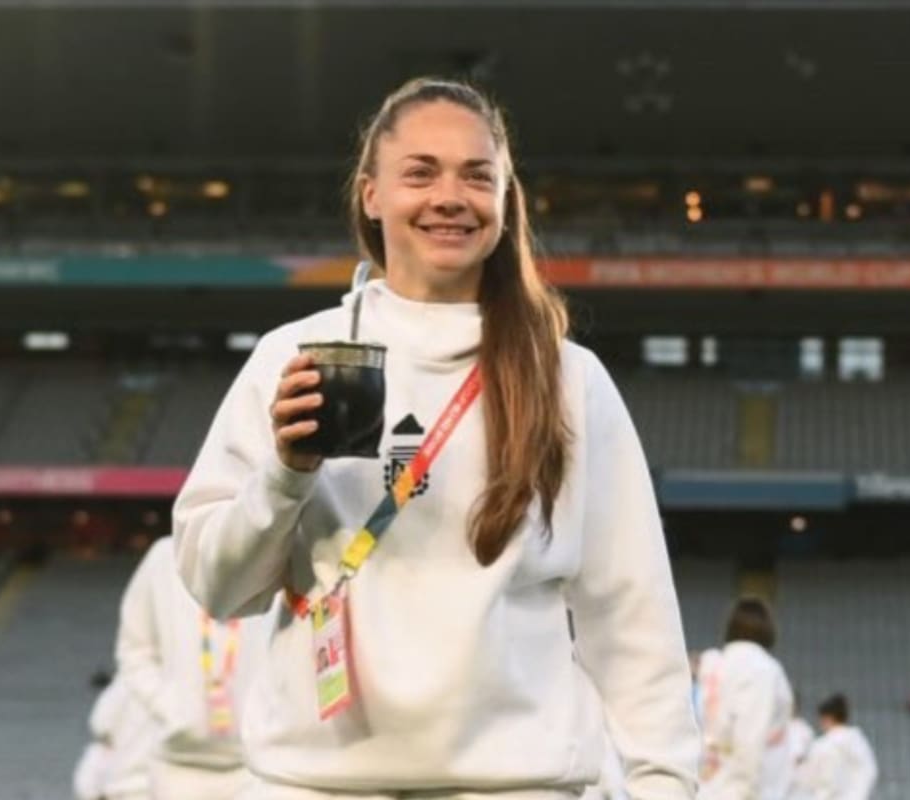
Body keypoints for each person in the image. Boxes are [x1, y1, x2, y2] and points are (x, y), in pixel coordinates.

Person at [173, 76, 700, 799]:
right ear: (371, 195)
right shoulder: (292, 358)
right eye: (420, 172)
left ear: (505, 203)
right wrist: (285, 473)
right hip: (314, 782)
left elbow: (632, 609)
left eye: (477, 176)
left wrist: (665, 783)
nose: (450, 196)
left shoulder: (567, 378)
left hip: (513, 784)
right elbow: (218, 588)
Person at [115, 536, 269, 800]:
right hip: (178, 764)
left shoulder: (269, 552)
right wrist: (170, 707)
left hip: (256, 766)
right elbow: (134, 649)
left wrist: (263, 716)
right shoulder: (165, 556)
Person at [697, 598, 795, 800]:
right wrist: (746, 792)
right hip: (745, 790)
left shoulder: (713, 665)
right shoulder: (761, 668)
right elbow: (750, 737)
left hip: (707, 785)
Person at [795, 694, 877, 800]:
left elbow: (808, 778)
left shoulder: (822, 746)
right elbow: (870, 771)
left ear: (827, 718)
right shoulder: (857, 740)